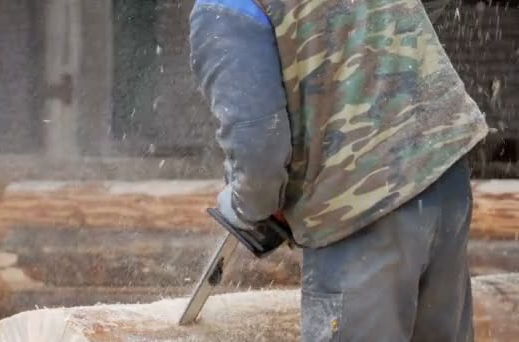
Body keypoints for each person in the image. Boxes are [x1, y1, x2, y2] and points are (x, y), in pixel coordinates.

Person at [188, 0, 490, 341]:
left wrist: (245, 205)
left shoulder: (223, 10)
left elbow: (258, 151)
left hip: (360, 209)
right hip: (443, 170)